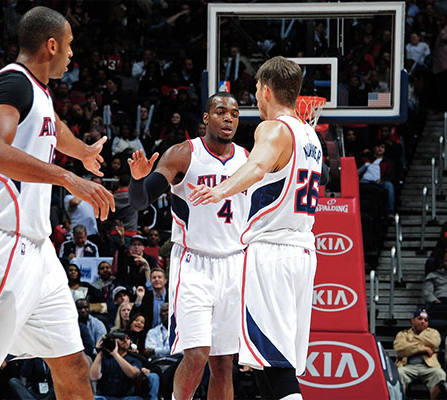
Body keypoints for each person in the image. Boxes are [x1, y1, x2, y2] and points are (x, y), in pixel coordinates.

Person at [0, 7, 114, 400]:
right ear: (51, 45)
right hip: (2, 246)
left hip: (38, 253)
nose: (72, 54)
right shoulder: (12, 84)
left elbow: (52, 128)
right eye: (69, 46)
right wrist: (67, 176)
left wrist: (81, 153)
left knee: (73, 366)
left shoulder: (37, 92)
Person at [187, 56, 327, 400]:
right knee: (268, 363)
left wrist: (220, 189)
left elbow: (259, 165)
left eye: (255, 91)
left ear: (265, 91)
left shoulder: (273, 129)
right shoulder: (311, 135)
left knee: (276, 368)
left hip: (272, 254)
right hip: (303, 252)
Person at [128, 91, 249, 399]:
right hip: (194, 263)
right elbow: (141, 200)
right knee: (196, 356)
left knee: (224, 364)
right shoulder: (184, 153)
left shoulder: (248, 159)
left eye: (234, 114)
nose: (228, 118)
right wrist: (138, 180)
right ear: (206, 118)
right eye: (221, 112)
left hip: (234, 263)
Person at [394, 308, 446, 400]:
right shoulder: (402, 334)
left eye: (425, 320)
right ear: (412, 320)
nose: (423, 322)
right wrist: (423, 348)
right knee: (399, 373)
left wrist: (410, 343)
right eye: (419, 319)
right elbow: (400, 349)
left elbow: (433, 343)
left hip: (429, 367)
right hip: (407, 367)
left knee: (439, 374)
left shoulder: (433, 333)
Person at [88, 330, 143, 400]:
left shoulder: (134, 360)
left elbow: (133, 373)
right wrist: (100, 352)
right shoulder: (104, 358)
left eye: (128, 338)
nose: (125, 340)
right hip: (104, 397)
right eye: (121, 338)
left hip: (126, 397)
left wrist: (115, 354)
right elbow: (93, 377)